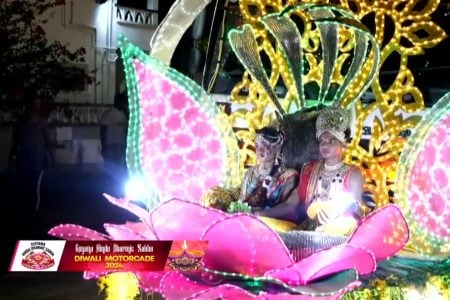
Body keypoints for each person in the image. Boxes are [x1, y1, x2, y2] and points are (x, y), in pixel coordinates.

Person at [296, 106, 364, 235]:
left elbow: (358, 209)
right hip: (310, 226)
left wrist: (340, 214)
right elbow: (295, 200)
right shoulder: (309, 169)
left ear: (342, 144)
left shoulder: (353, 174)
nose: (325, 145)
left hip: (339, 228)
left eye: (332, 141)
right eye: (322, 141)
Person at [239, 127, 298, 220]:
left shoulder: (288, 175)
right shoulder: (250, 173)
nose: (260, 150)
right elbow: (241, 202)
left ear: (277, 147)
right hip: (246, 219)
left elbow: (287, 208)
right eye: (257, 146)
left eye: (265, 145)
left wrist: (262, 213)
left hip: (272, 223)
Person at [100, 93, 128, 181]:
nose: (124, 104)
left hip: (121, 144)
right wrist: (104, 145)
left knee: (119, 166)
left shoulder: (124, 114)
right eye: (123, 102)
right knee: (110, 166)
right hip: (111, 144)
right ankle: (108, 182)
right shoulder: (109, 113)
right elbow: (103, 130)